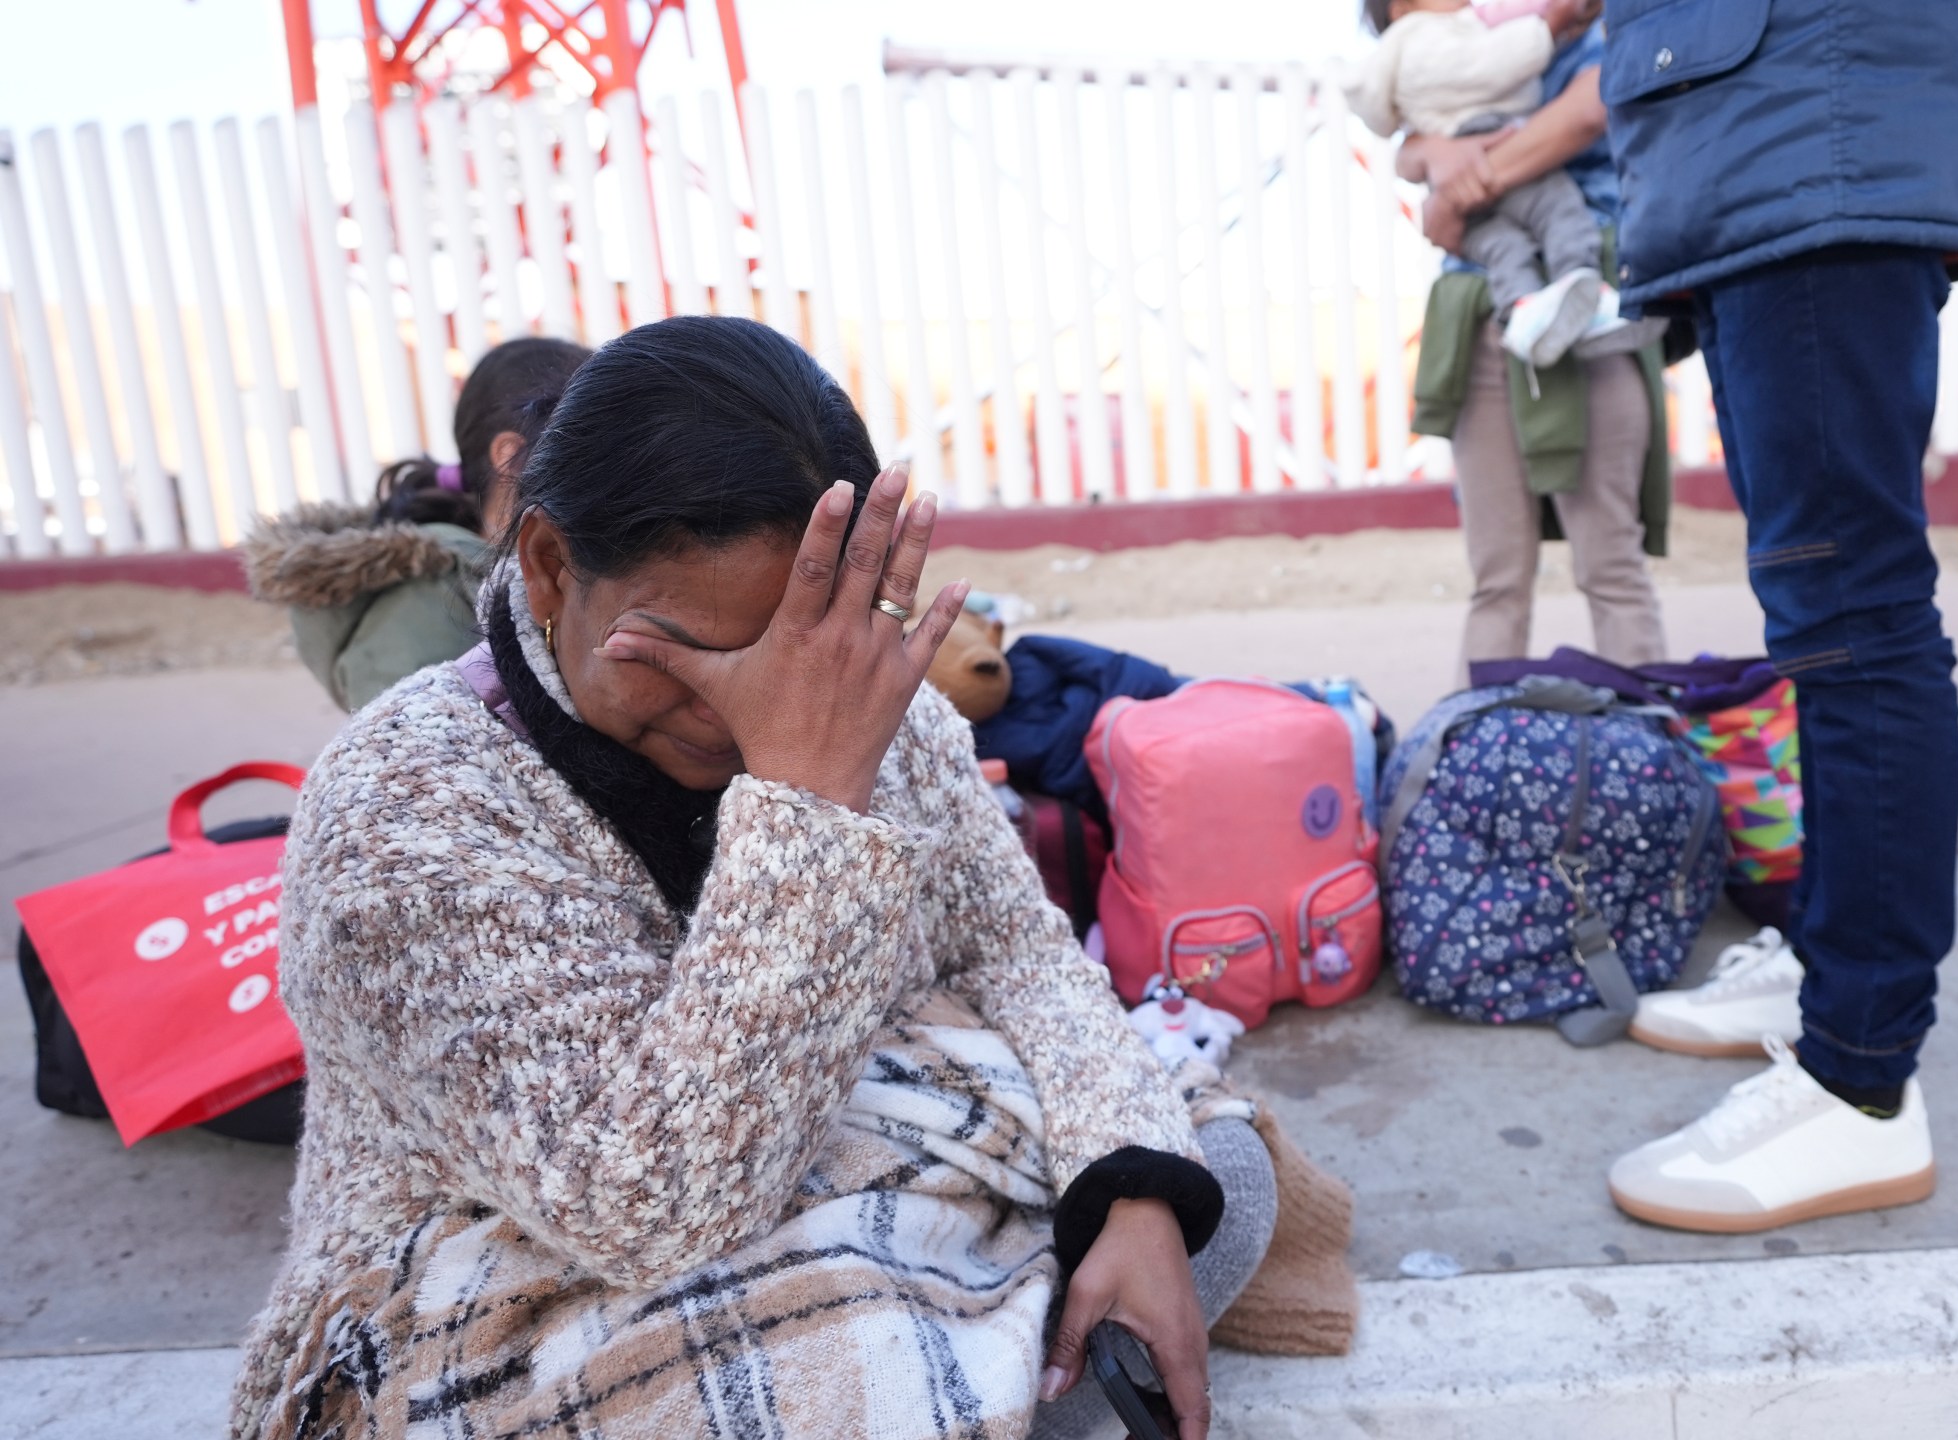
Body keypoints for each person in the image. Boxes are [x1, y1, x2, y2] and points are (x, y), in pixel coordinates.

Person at [229, 316, 1273, 1440]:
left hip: (820, 1138)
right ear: (546, 566)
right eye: (686, 654)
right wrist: (810, 793)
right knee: (854, 1374)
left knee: (1207, 1168)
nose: (751, 711)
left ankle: (1008, 1346)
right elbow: (647, 1210)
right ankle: (1008, 1356)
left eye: (799, 652)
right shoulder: (403, 809)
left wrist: (1129, 1189)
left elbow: (1012, 946)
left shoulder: (870, 695)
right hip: (499, 1255)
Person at [1598, 0, 1958, 1232]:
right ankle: (1828, 963)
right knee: (1821, 618)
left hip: (1817, 123)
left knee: (1858, 618)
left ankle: (1860, 1076)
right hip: (1769, 133)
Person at [1396, 0, 1672, 675]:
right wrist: (1430, 150)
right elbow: (1411, 145)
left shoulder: (1610, 33)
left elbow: (1589, 110)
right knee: (1498, 575)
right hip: (1482, 304)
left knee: (1609, 560)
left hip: (1589, 302)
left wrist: (1455, 182)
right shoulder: (1466, 54)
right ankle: (1476, 755)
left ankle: (1644, 758)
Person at [243, 335, 590, 711]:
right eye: (586, 445)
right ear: (509, 457)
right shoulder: (433, 589)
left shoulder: (523, 565)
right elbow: (410, 749)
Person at [1347, 0, 1606, 365]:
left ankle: (1523, 308)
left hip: (1470, 245)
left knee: (1505, 248)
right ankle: (1579, 285)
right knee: (1555, 210)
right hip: (1509, 187)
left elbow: (1586, 112)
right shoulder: (1435, 39)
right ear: (1402, 9)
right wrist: (1546, 28)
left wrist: (1448, 190)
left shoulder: (1435, 40)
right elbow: (1490, 65)